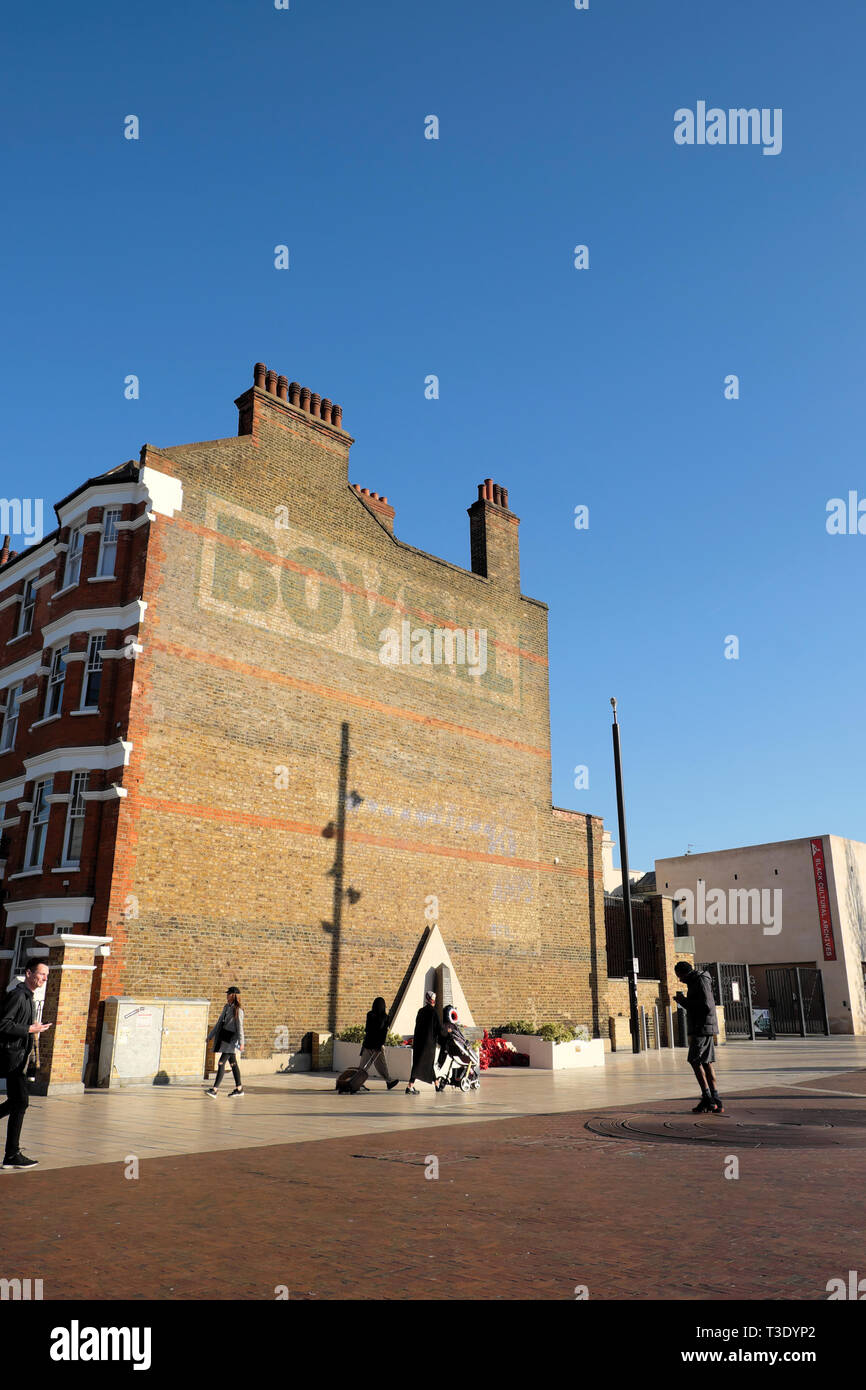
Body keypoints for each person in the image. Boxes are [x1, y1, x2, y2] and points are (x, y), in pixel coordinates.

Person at [0, 959, 52, 1169]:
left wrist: (34, 1028)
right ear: (29, 973)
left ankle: (12, 1154)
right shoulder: (18, 996)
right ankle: (12, 1154)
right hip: (13, 1058)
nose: (44, 978)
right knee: (20, 1102)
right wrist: (30, 1029)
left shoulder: (28, 997)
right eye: (41, 974)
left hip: (20, 1058)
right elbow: (3, 1024)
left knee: (17, 1102)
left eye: (46, 975)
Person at [674, 961, 724, 1114]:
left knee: (695, 1061)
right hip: (704, 1026)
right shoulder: (698, 980)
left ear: (684, 973)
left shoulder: (700, 981)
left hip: (701, 1027)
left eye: (679, 976)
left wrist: (683, 1001)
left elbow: (706, 1006)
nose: (680, 980)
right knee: (705, 1062)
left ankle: (708, 1098)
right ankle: (714, 1100)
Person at [205, 986, 245, 1097]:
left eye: (228, 994)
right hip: (224, 1038)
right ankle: (239, 1089)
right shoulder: (226, 1007)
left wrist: (242, 1042)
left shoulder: (238, 1010)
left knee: (221, 1063)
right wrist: (210, 1036)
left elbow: (240, 1027)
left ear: (233, 996)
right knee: (233, 1064)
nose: (226, 996)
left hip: (231, 1040)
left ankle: (215, 1089)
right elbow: (219, 1023)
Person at [406, 989, 442, 1095]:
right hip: (429, 1044)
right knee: (421, 1065)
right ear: (433, 1001)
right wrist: (447, 1031)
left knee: (424, 1064)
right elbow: (439, 1029)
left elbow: (417, 1027)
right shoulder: (433, 1013)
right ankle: (409, 1087)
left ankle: (436, 1084)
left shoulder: (421, 1011)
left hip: (419, 1042)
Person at [359, 996, 399, 1090]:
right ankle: (388, 1081)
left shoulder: (369, 1015)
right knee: (382, 1065)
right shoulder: (385, 1017)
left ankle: (358, 1081)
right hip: (377, 1046)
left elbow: (367, 1030)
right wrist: (381, 1044)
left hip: (368, 1044)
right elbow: (384, 1033)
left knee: (363, 1065)